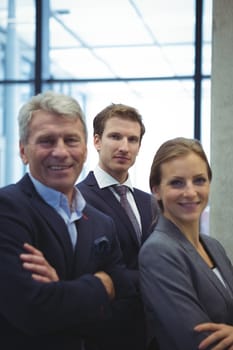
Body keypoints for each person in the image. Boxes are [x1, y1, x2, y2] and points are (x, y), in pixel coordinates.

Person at [0, 91, 145, 350]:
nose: (61, 152)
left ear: (85, 149)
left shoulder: (101, 223)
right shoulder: (7, 209)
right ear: (23, 151)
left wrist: (61, 292)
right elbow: (32, 311)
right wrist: (103, 284)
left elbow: (125, 299)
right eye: (46, 141)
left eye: (71, 140)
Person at [139, 137, 233, 350]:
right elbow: (202, 342)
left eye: (199, 180)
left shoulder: (213, 246)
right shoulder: (158, 251)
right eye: (176, 182)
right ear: (156, 190)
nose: (190, 192)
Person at [77, 103, 155, 288]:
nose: (124, 147)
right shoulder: (78, 199)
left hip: (152, 314)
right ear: (97, 141)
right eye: (115, 137)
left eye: (132, 139)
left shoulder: (150, 203)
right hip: (106, 312)